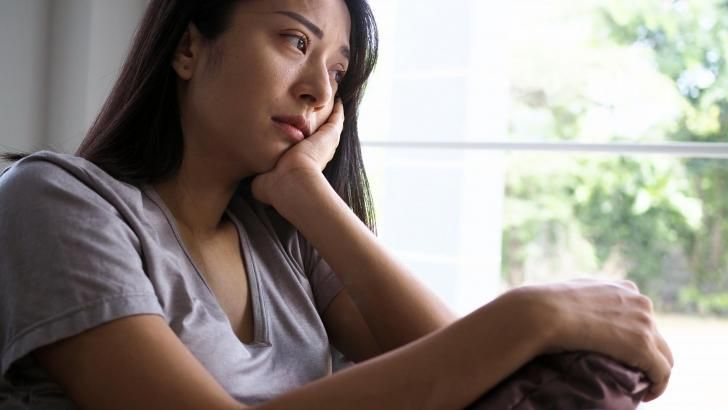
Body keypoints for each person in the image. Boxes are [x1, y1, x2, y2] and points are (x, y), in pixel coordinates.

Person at [0, 0, 672, 408]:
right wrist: (532, 313)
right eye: (296, 41)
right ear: (188, 48)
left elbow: (473, 379)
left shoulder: (285, 238)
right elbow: (480, 350)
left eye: (338, 71)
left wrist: (307, 194)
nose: (319, 92)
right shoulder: (58, 201)